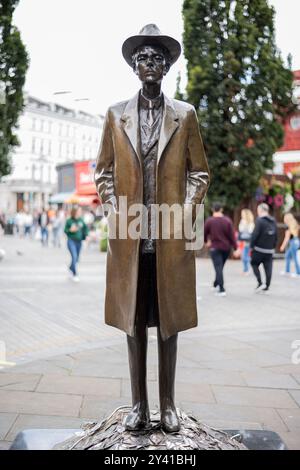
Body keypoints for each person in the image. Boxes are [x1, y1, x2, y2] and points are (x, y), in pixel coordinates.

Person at [94, 24, 210, 432]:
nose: (149, 63)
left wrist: (183, 212)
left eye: (156, 58)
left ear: (166, 67)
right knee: (133, 324)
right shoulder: (114, 115)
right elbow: (103, 171)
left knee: (169, 323)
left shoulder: (185, 114)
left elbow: (199, 172)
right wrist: (114, 209)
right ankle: (138, 405)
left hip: (169, 238)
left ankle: (169, 405)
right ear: (133, 67)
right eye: (142, 57)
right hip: (129, 237)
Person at [204, 202, 239, 296]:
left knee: (218, 267)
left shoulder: (209, 221)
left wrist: (206, 241)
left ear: (212, 209)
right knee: (220, 267)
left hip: (215, 248)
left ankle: (222, 289)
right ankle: (216, 283)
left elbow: (204, 233)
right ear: (221, 209)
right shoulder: (227, 221)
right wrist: (236, 248)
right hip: (226, 249)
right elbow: (232, 236)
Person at [250, 203, 278, 292]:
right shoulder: (273, 221)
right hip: (269, 250)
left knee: (254, 264)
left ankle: (260, 282)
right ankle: (267, 286)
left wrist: (251, 246)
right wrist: (273, 246)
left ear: (261, 210)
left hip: (259, 249)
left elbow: (255, 234)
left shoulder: (259, 220)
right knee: (268, 268)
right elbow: (276, 236)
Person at [64, 207, 88, 282]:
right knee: (74, 256)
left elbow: (85, 228)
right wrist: (70, 230)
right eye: (79, 211)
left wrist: (86, 235)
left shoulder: (81, 220)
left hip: (79, 242)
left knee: (76, 259)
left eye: (80, 211)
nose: (80, 212)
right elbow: (65, 230)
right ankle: (75, 274)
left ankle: (70, 268)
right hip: (71, 241)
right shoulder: (69, 221)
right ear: (75, 212)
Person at [280, 213, 300, 277]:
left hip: (293, 243)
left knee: (295, 258)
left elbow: (287, 238)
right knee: (288, 256)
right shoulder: (295, 224)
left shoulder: (288, 226)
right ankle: (287, 270)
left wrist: (282, 246)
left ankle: (298, 272)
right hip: (296, 241)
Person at [238, 209, 255, 274]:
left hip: (249, 241)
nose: (242, 215)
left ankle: (247, 269)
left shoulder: (251, 223)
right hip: (243, 241)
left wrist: (245, 225)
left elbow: (250, 232)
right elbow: (241, 230)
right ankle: (246, 269)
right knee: (244, 256)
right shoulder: (242, 221)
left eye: (243, 214)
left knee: (245, 256)